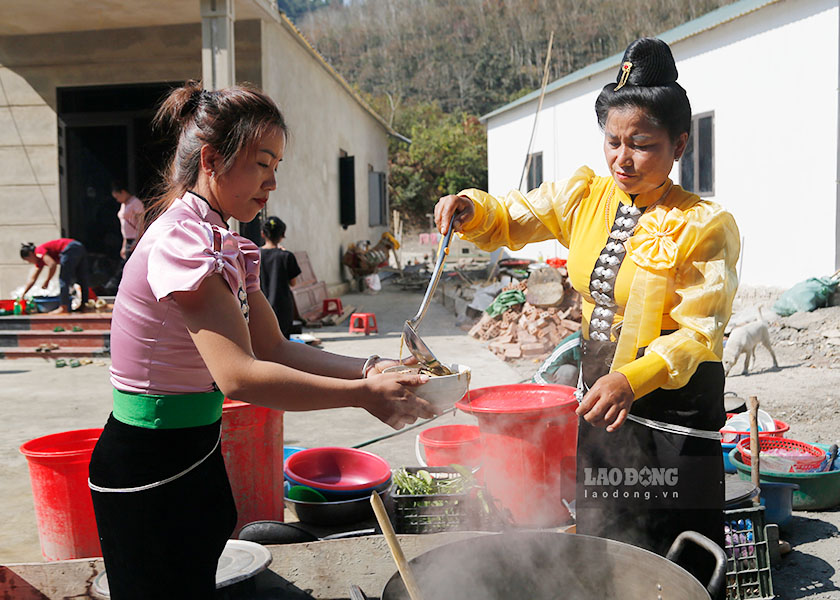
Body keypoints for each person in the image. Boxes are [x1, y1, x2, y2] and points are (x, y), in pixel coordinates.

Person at [88, 80, 435, 599]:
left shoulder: (226, 240)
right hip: (149, 464)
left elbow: (273, 348)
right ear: (211, 159)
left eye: (276, 168)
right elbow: (239, 376)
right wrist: (362, 396)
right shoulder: (183, 240)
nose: (272, 182)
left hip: (194, 452)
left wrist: (371, 368)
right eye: (261, 163)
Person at [435, 38, 739, 591]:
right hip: (602, 397)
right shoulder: (585, 197)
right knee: (607, 534)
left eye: (642, 145)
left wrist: (633, 377)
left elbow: (700, 332)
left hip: (673, 411)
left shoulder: (703, 225)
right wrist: (471, 207)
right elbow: (514, 214)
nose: (622, 159)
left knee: (676, 545)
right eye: (613, 141)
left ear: (679, 146)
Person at [19, 238, 90, 314]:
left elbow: (52, 265)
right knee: (82, 278)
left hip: (69, 248)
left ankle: (63, 307)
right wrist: (23, 294)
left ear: (30, 254)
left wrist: (47, 281)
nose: (29, 262)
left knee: (63, 280)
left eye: (28, 260)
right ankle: (84, 306)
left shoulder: (38, 251)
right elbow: (33, 279)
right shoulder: (40, 260)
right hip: (79, 247)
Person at [259, 215, 302, 338]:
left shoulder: (255, 255)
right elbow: (293, 283)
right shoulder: (286, 256)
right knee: (282, 343)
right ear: (282, 235)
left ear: (263, 234)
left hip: (260, 306)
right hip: (282, 308)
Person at [111, 180, 144, 260]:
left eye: (117, 197)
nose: (117, 200)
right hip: (128, 240)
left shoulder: (135, 202)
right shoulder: (124, 204)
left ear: (123, 192)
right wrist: (124, 245)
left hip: (135, 238)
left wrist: (136, 241)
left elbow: (141, 223)